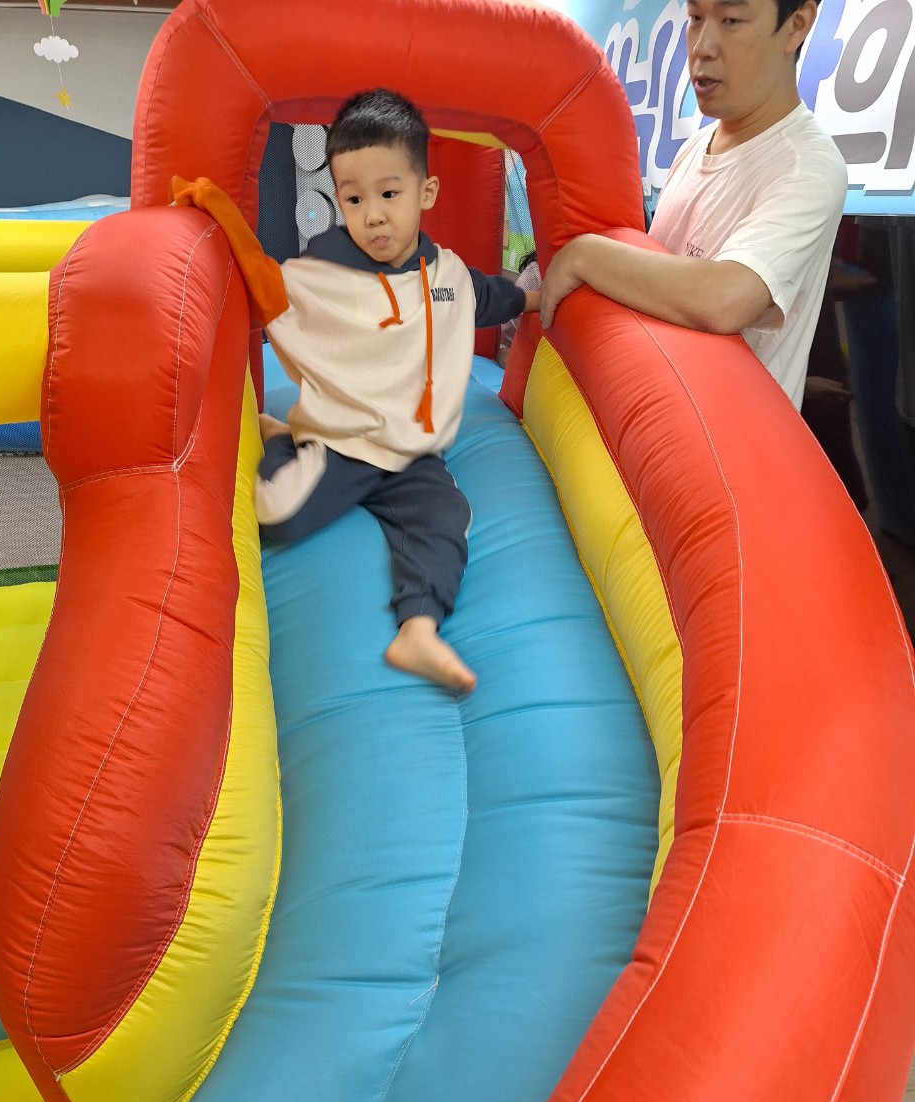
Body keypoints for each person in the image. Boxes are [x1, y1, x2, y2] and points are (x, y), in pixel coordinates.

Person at [173, 89, 539, 693]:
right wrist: (221, 214)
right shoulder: (328, 275)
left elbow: (490, 298)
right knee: (279, 515)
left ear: (426, 192)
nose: (372, 215)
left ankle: (417, 630)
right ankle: (288, 439)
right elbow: (264, 286)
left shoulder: (447, 276)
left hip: (412, 453)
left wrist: (535, 298)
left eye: (389, 194)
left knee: (446, 517)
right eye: (353, 198)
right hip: (344, 443)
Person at [540, 0, 847, 409]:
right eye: (696, 18)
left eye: (731, 20)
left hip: (724, 438)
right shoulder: (695, 147)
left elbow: (726, 299)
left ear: (796, 26)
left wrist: (584, 256)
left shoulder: (807, 166)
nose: (702, 47)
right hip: (652, 412)